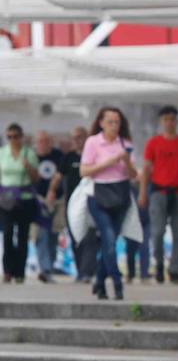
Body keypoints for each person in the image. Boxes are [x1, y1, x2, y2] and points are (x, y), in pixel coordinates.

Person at [80, 107, 139, 301]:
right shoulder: (93, 142)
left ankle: (99, 281)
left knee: (110, 242)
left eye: (117, 122)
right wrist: (111, 161)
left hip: (120, 195)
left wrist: (126, 160)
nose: (114, 126)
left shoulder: (125, 144)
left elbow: (133, 175)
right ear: (102, 123)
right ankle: (117, 282)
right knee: (108, 237)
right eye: (110, 122)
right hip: (99, 195)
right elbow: (85, 171)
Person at [139, 105, 178, 284]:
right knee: (157, 232)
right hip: (158, 192)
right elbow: (147, 169)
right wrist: (143, 192)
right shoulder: (153, 143)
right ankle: (158, 263)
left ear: (176, 121)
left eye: (172, 119)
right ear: (161, 122)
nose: (169, 123)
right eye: (165, 120)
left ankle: (175, 268)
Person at [0, 123, 40, 283]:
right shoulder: (2, 153)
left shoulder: (29, 153)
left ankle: (20, 272)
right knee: (8, 233)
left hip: (24, 198)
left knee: (23, 236)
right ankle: (8, 270)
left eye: (15, 137)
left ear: (21, 137)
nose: (12, 140)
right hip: (6, 199)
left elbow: (36, 178)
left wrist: (27, 166)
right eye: (9, 137)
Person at [63, 125, 97, 282]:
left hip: (90, 201)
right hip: (72, 204)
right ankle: (80, 270)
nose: (77, 141)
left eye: (80, 137)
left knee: (89, 236)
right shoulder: (69, 157)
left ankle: (87, 271)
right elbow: (58, 176)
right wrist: (51, 192)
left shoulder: (94, 156)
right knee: (76, 237)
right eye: (74, 138)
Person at [32, 131, 65, 283]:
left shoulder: (58, 155)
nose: (43, 144)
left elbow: (61, 174)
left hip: (57, 199)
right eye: (40, 141)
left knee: (53, 234)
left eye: (46, 141)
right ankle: (45, 269)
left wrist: (52, 191)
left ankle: (49, 268)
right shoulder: (32, 156)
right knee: (41, 235)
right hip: (38, 200)